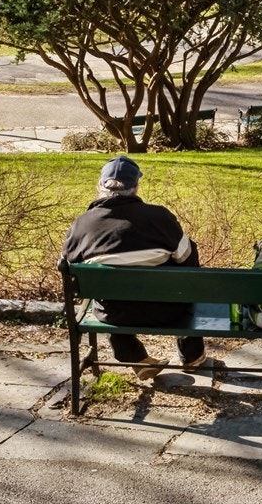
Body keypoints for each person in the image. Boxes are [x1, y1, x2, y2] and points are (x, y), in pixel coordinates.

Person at [61, 156, 205, 380]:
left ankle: (134, 357)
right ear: (136, 187)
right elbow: (188, 262)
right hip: (167, 312)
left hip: (115, 314)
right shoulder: (160, 217)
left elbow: (67, 266)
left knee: (107, 299)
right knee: (185, 287)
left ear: (100, 186)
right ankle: (192, 355)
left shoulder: (82, 225)